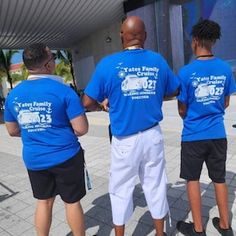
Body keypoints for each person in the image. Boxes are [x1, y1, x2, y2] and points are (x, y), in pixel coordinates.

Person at [83, 16, 180, 236]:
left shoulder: (108, 64)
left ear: (121, 37)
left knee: (120, 189)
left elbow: (87, 102)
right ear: (144, 36)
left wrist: (103, 105)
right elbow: (174, 89)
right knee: (155, 185)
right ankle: (160, 233)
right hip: (152, 135)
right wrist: (153, 95)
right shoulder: (157, 61)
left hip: (124, 141)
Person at [4, 43, 88, 236]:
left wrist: (35, 132)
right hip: (66, 156)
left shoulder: (14, 95)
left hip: (35, 158)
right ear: (47, 65)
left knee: (44, 201)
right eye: (53, 58)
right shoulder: (63, 90)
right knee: (72, 202)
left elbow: (12, 130)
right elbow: (82, 129)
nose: (55, 62)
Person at [176, 19, 236, 236]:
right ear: (214, 41)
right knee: (219, 179)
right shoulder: (225, 69)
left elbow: (182, 109)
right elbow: (226, 102)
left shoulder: (185, 72)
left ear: (195, 41)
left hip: (193, 135)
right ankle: (225, 226)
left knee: (192, 179)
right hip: (218, 134)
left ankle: (198, 228)